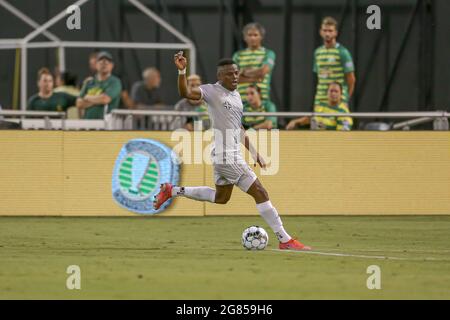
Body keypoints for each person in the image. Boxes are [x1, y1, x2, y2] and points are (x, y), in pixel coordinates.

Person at [153, 51, 311, 251]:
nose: (235, 77)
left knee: (221, 198)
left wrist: (254, 152)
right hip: (226, 156)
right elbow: (185, 93)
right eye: (229, 74)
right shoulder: (211, 91)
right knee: (260, 193)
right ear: (220, 76)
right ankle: (284, 239)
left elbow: (239, 128)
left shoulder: (237, 97)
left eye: (236, 73)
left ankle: (172, 190)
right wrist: (182, 70)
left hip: (227, 155)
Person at [313, 17, 355, 105]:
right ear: (320, 32)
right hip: (320, 102)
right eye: (325, 30)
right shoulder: (318, 52)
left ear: (335, 33)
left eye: (330, 31)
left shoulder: (342, 52)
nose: (327, 34)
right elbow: (319, 78)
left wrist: (346, 99)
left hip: (338, 102)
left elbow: (351, 79)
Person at [232, 22, 276, 104]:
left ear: (261, 37)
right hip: (241, 101)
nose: (252, 38)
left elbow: (263, 71)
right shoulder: (237, 55)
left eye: (255, 35)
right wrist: (255, 78)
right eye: (249, 35)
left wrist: (244, 72)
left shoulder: (268, 53)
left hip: (262, 101)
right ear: (245, 37)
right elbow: (234, 78)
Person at [286, 82, 353, 130]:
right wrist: (295, 122)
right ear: (327, 93)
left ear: (341, 94)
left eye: (336, 91)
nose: (333, 93)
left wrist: (325, 128)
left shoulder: (344, 112)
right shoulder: (321, 105)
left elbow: (343, 136)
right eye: (331, 91)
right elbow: (310, 119)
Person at [76, 51, 122, 119]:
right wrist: (98, 100)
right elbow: (79, 103)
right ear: (96, 65)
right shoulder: (89, 82)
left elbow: (105, 99)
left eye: (106, 63)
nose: (104, 65)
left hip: (106, 124)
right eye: (101, 63)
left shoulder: (115, 82)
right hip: (87, 124)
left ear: (112, 66)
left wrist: (88, 97)